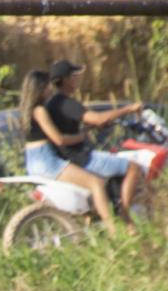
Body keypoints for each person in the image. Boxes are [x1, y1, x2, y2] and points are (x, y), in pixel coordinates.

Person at [20, 61, 146, 230]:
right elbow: (59, 139)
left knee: (91, 186)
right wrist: (83, 136)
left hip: (33, 160)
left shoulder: (30, 111)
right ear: (39, 89)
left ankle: (97, 223)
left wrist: (87, 129)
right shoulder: (41, 110)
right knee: (96, 183)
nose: (49, 89)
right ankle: (115, 229)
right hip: (46, 160)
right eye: (46, 86)